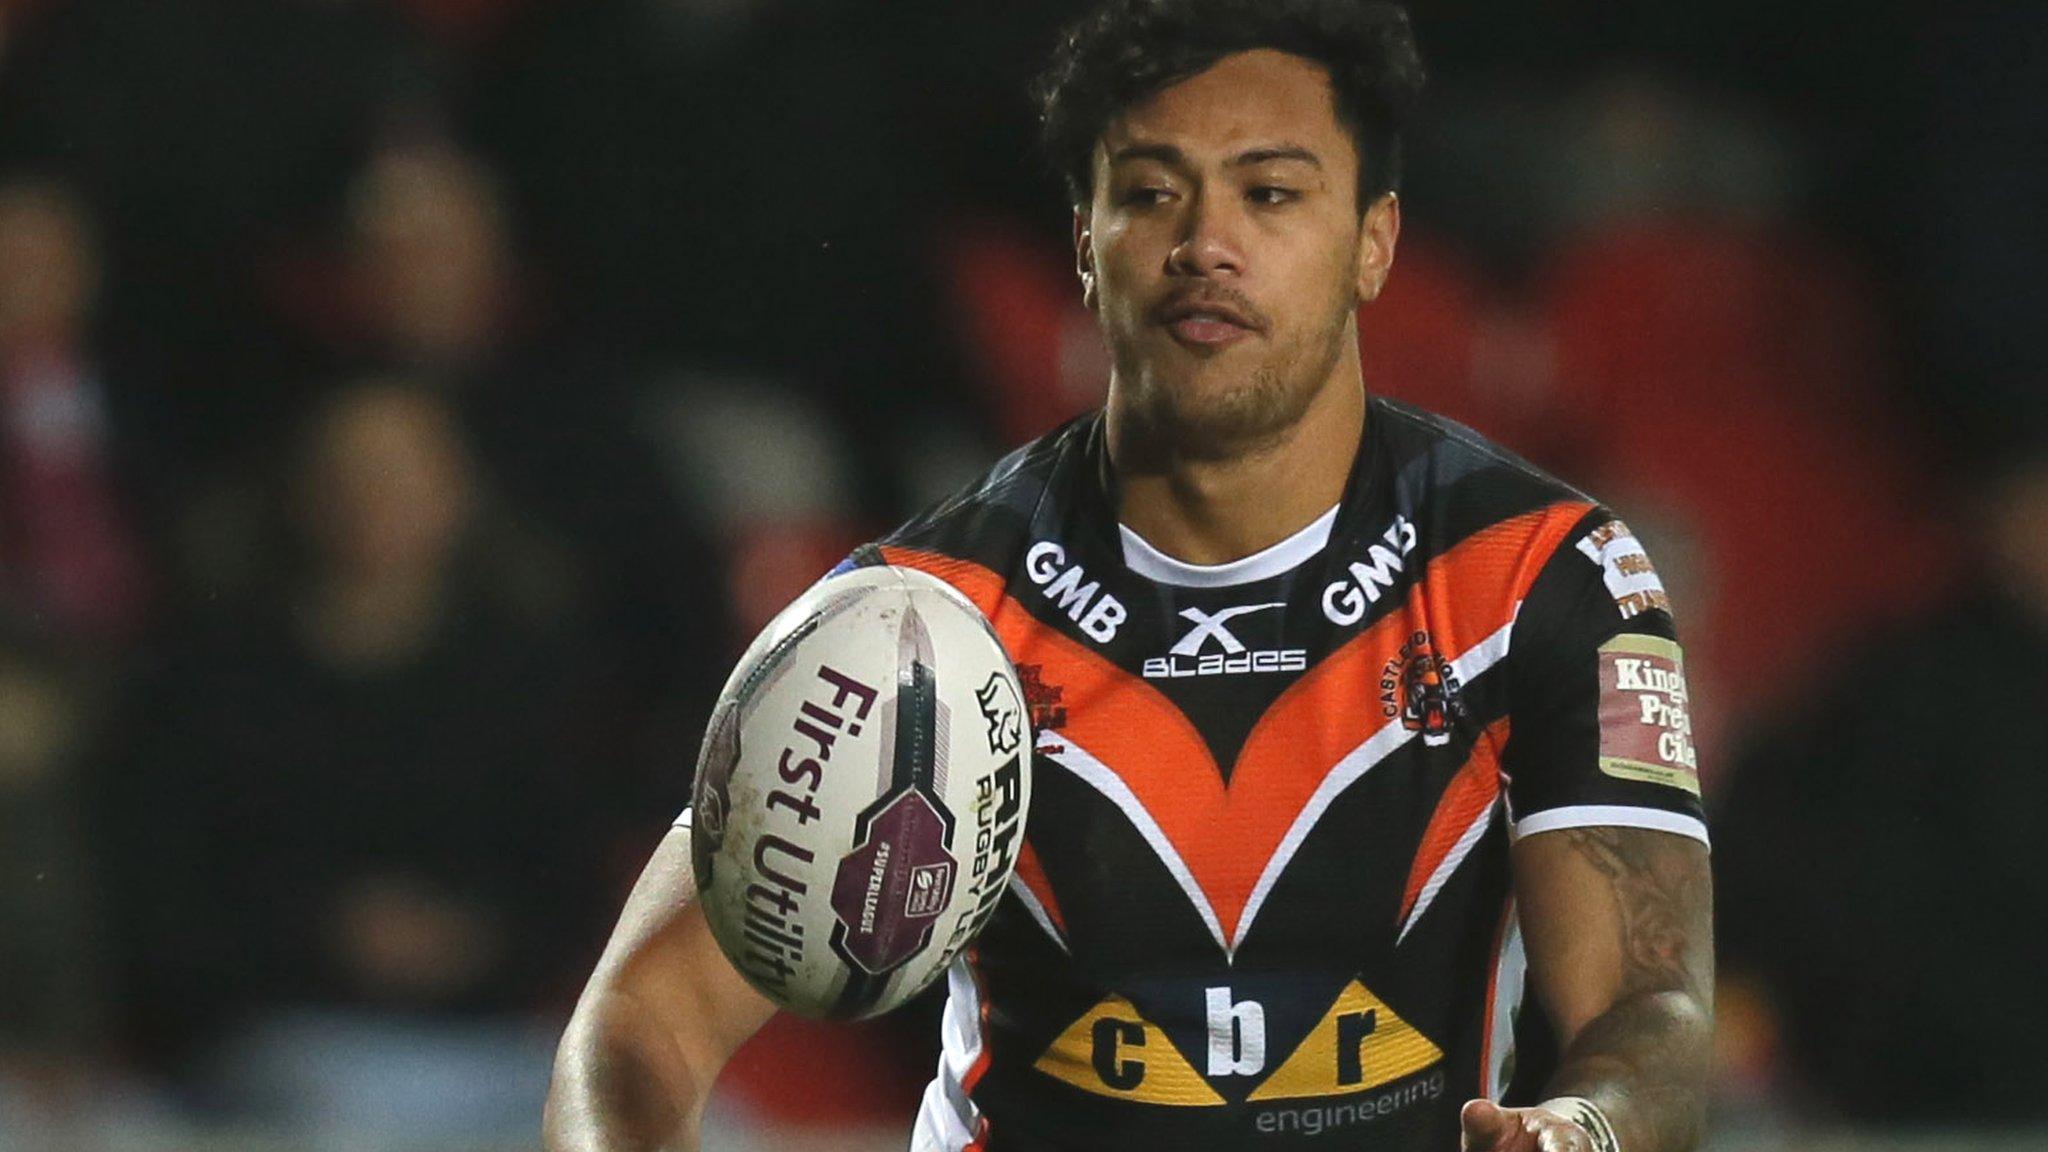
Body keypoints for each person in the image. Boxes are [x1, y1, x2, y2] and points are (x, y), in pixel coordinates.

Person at [545, 3, 1714, 1150]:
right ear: (1082, 245)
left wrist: (1582, 1129)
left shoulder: (1536, 578)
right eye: (1151, 192)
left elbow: (1644, 1006)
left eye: (1269, 193)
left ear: (1373, 241)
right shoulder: (924, 621)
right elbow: (640, 1017)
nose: (1205, 243)